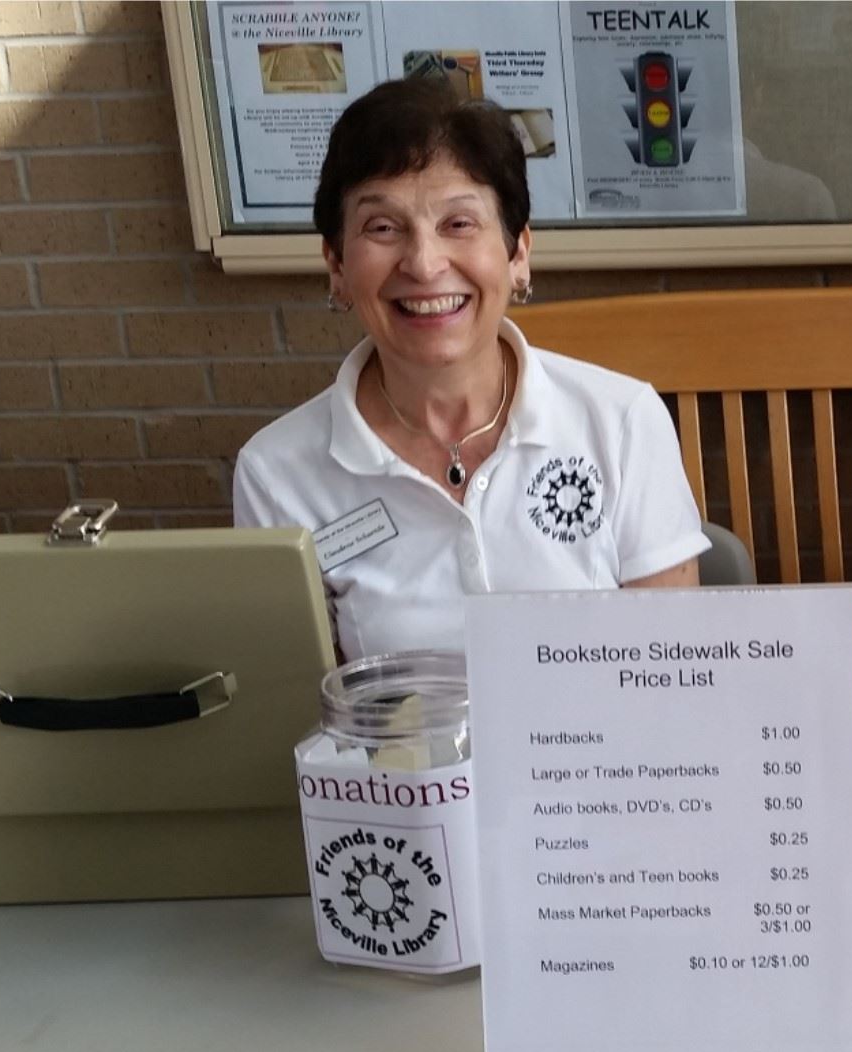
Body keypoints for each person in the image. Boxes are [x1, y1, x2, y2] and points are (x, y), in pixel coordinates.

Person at [234, 79, 709, 660]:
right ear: (336, 263)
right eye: (382, 228)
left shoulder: (621, 421)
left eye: (459, 224)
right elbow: (299, 709)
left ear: (517, 254)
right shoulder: (275, 472)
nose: (425, 264)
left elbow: (674, 677)